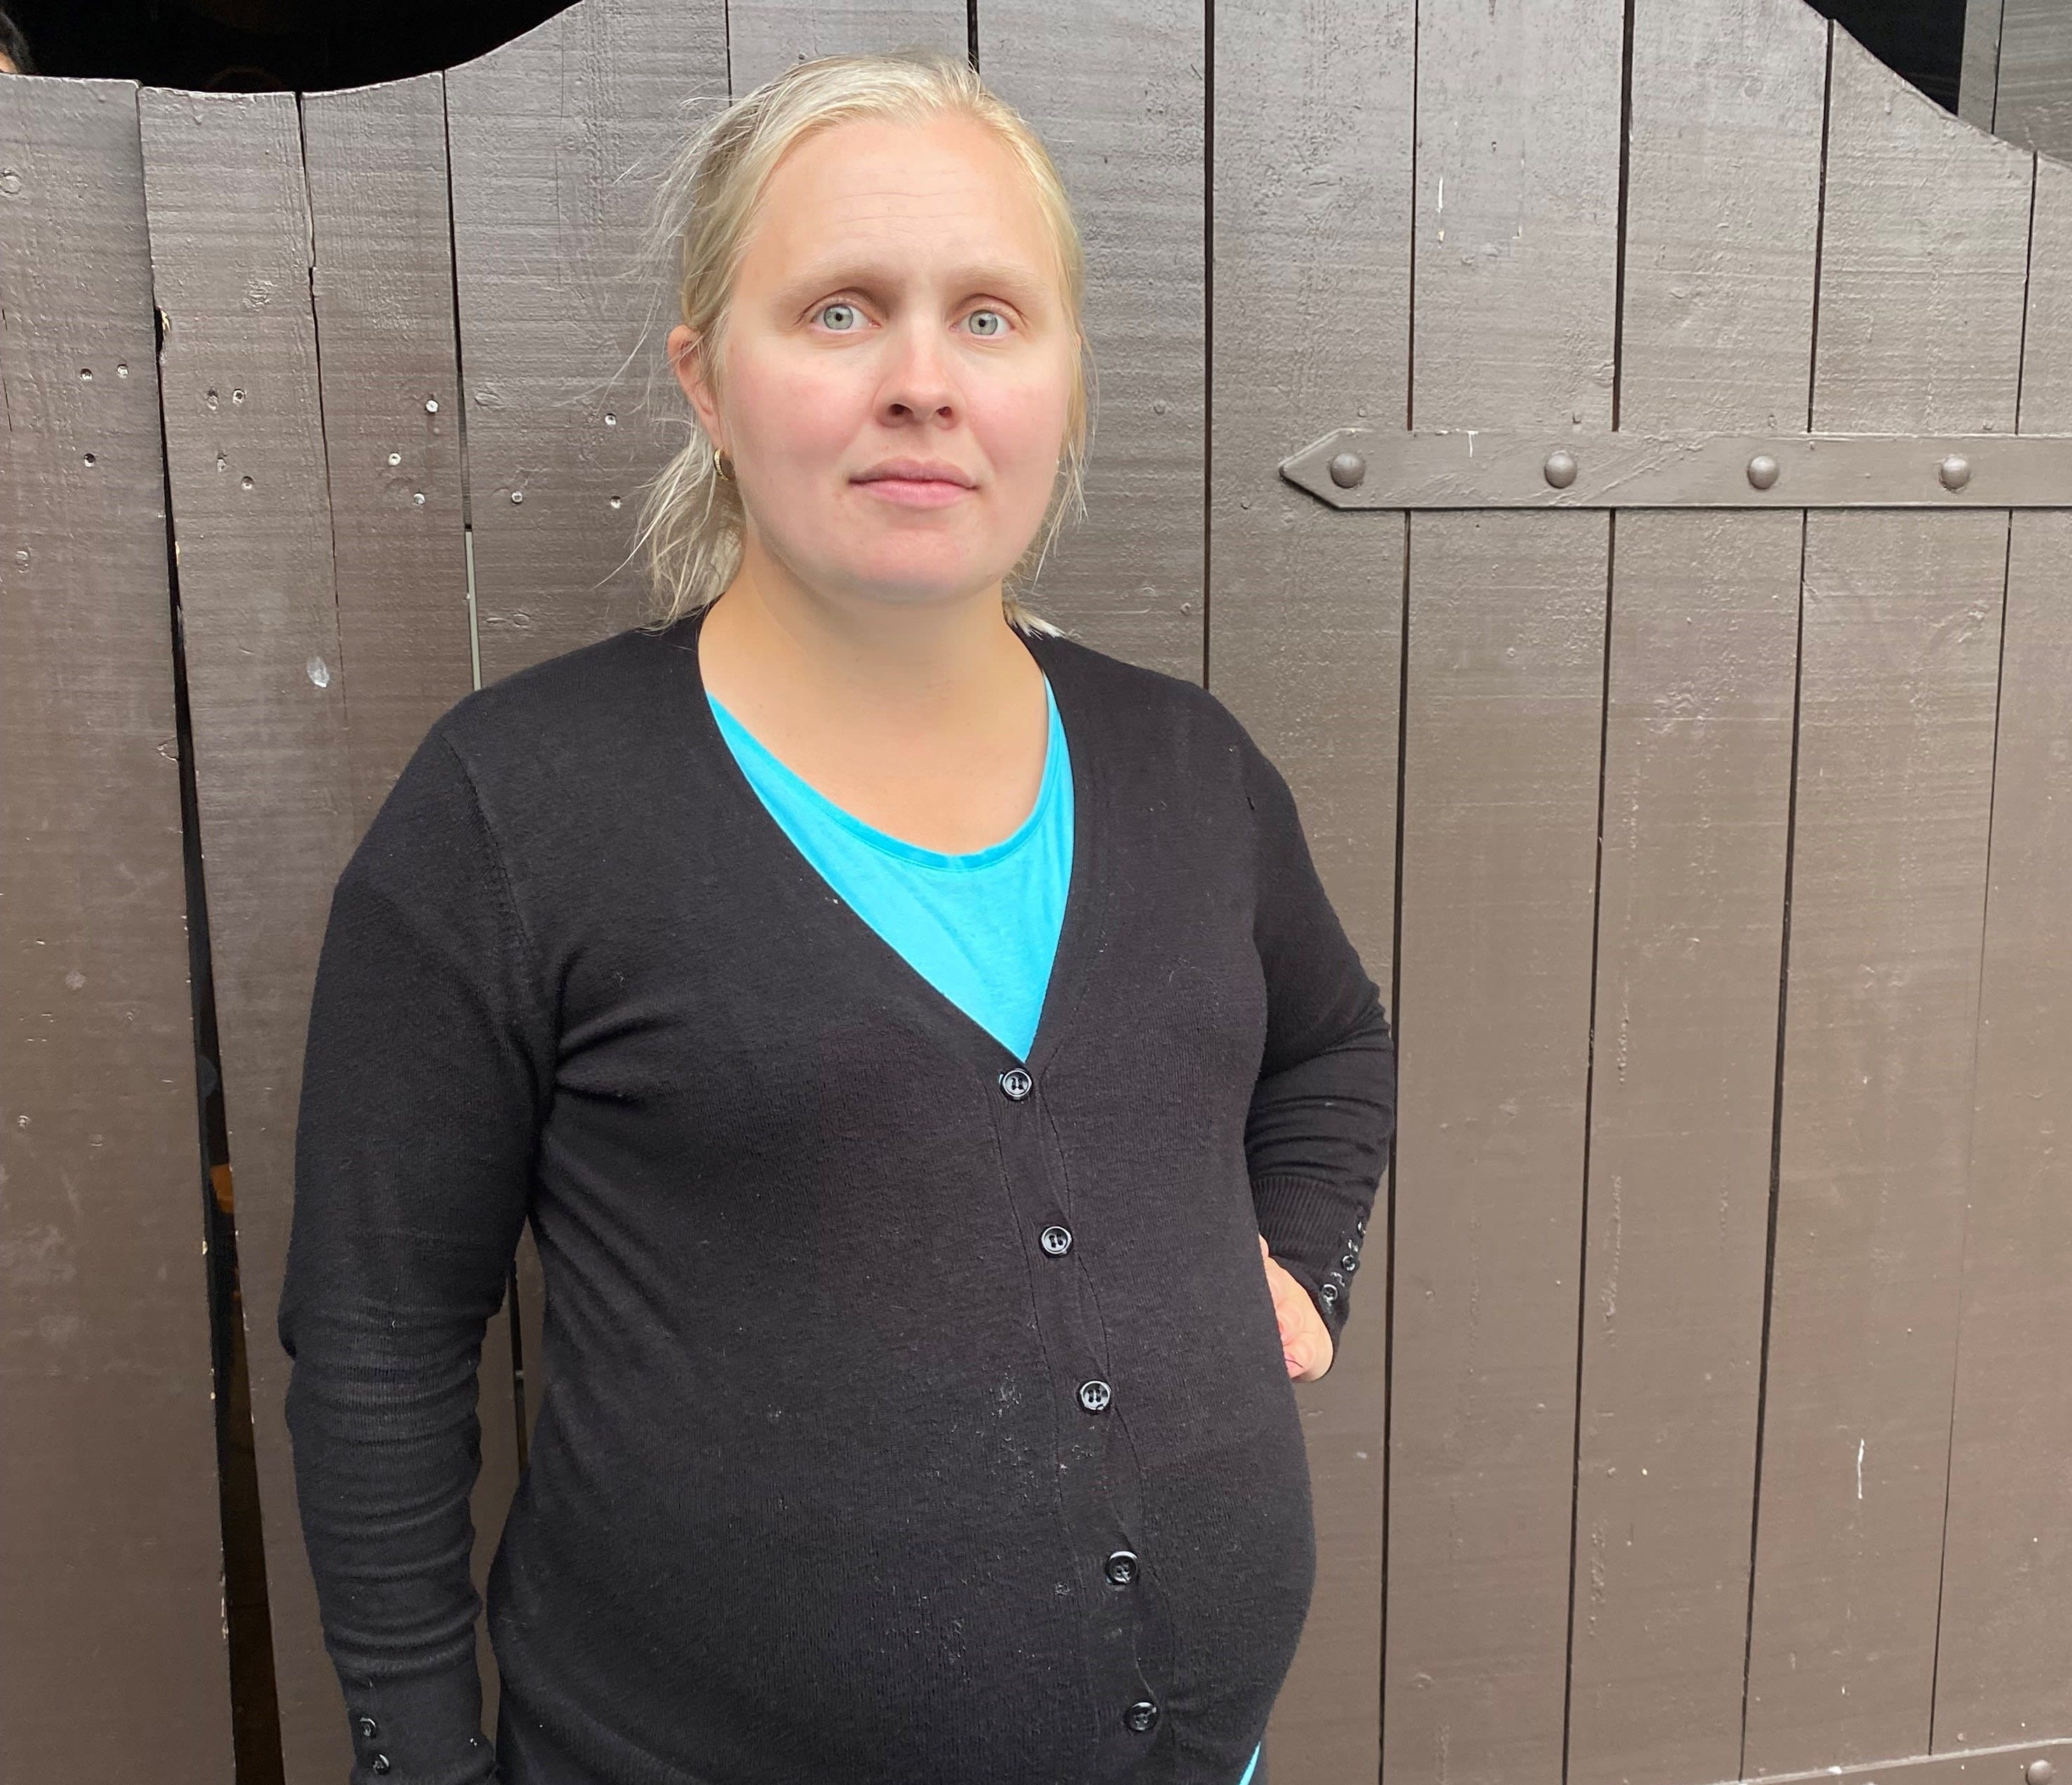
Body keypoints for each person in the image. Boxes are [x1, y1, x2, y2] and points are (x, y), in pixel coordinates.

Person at [278, 47, 1394, 1785]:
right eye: (841, 311)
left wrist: (1294, 1262)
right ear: (708, 381)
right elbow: (380, 1339)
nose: (923, 384)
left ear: (1065, 385)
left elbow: (1334, 1043)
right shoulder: (519, 807)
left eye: (991, 318)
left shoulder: (1192, 768)